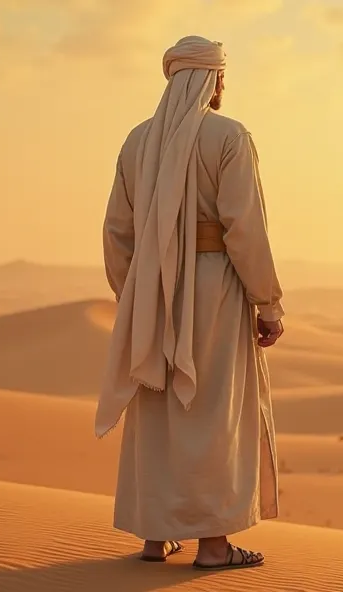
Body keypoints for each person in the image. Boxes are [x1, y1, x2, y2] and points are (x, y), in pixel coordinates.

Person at [95, 35, 285, 571]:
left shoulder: (136, 141)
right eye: (222, 76)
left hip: (150, 288)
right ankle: (215, 547)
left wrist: (134, 294)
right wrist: (268, 303)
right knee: (211, 412)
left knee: (156, 405)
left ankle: (156, 537)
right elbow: (244, 227)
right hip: (215, 288)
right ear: (212, 79)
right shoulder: (229, 136)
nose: (224, 85)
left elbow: (117, 229)